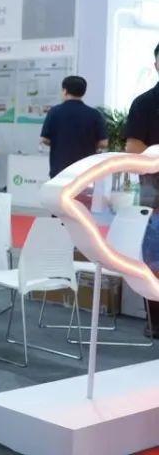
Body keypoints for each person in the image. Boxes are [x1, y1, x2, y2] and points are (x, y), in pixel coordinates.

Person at [126, 42, 159, 336]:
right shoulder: (145, 103)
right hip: (156, 199)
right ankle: (156, 323)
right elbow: (134, 152)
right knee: (155, 263)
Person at [40, 76, 107, 178]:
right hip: (85, 171)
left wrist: (59, 143)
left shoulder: (54, 112)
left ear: (65, 91)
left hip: (59, 169)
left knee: (60, 189)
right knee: (84, 189)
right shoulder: (94, 114)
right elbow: (103, 143)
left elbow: (44, 139)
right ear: (83, 92)